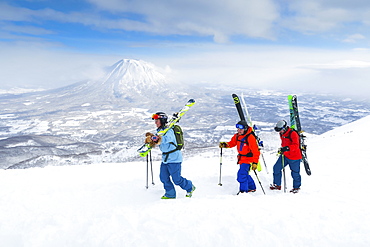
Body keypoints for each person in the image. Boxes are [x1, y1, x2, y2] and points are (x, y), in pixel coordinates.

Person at [145, 112, 195, 199]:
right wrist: (152, 140)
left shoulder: (169, 130)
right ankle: (170, 194)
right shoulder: (160, 131)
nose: (155, 123)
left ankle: (190, 187)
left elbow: (167, 139)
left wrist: (157, 139)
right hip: (165, 159)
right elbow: (159, 140)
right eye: (155, 121)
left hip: (174, 158)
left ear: (162, 120)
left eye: (157, 120)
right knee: (163, 177)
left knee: (177, 179)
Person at [219, 120, 260, 194]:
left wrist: (255, 162)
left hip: (248, 159)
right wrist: (225, 145)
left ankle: (243, 191)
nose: (239, 131)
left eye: (240, 129)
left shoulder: (250, 137)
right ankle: (251, 187)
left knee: (241, 175)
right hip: (241, 159)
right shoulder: (237, 136)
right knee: (245, 174)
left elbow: (256, 151)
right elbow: (232, 143)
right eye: (238, 129)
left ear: (245, 129)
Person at [270, 120, 302, 193]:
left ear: (284, 128)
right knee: (276, 168)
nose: (279, 132)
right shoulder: (282, 134)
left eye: (280, 130)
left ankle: (296, 187)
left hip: (295, 157)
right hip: (285, 155)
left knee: (295, 173)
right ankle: (277, 184)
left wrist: (287, 148)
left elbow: (296, 145)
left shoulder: (293, 134)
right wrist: (283, 149)